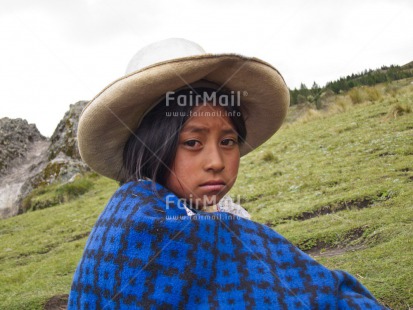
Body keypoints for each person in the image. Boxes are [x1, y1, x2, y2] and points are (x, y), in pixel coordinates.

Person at [68, 38, 387, 309]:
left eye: (228, 141)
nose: (217, 161)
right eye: (192, 142)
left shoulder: (223, 215)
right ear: (151, 145)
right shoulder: (147, 229)